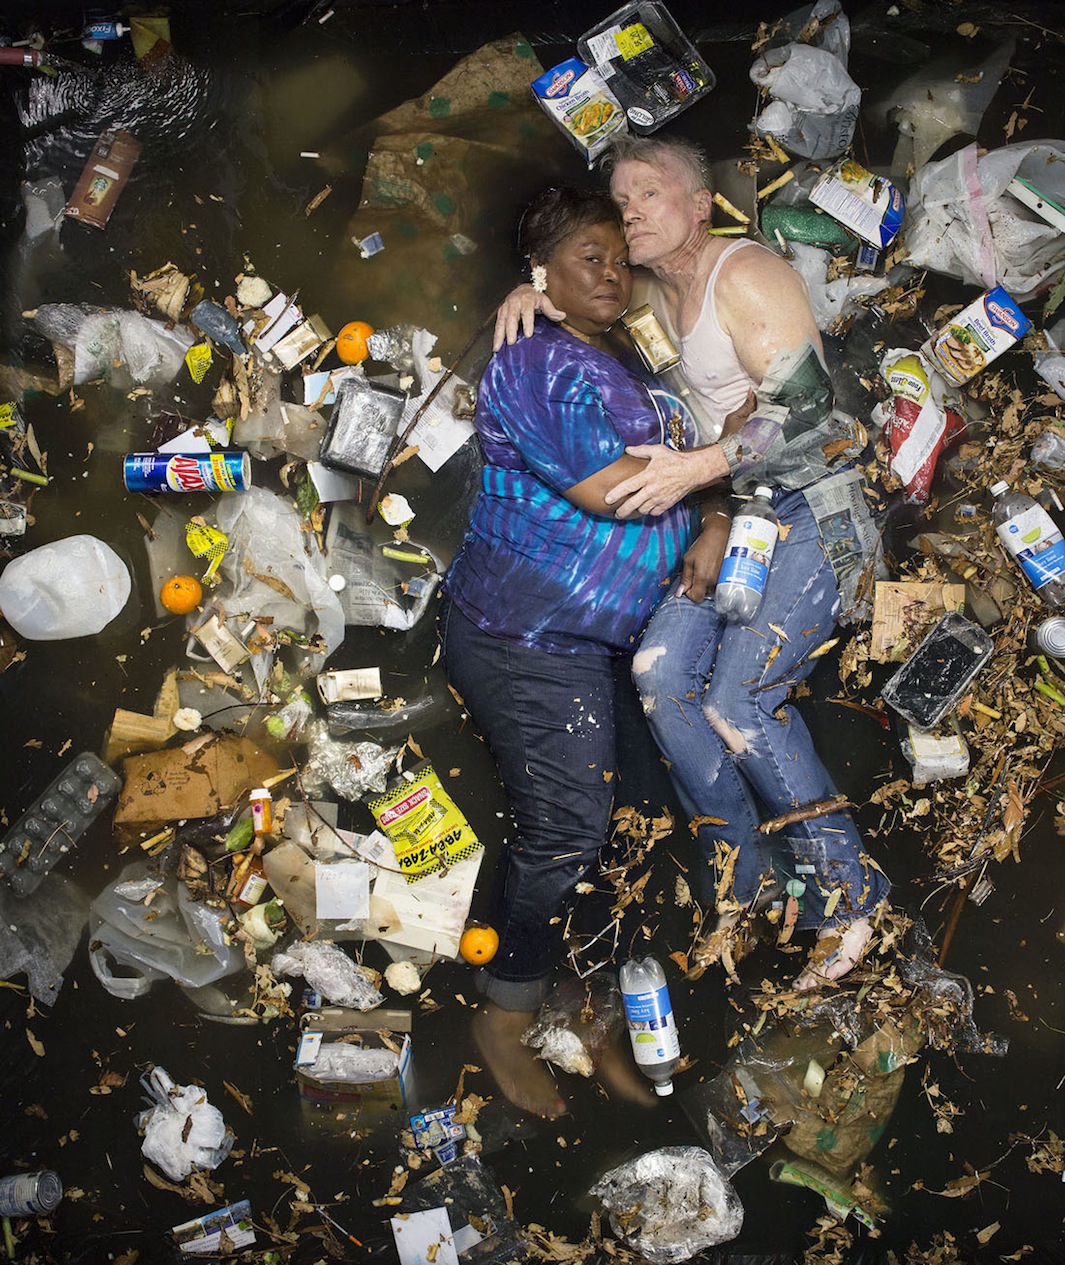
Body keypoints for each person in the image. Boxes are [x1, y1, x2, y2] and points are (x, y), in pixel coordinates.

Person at [496, 135, 890, 991]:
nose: (629, 209)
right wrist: (527, 290)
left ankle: (849, 896)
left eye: (648, 191)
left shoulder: (742, 274)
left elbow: (810, 407)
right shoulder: (646, 289)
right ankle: (745, 883)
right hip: (740, 515)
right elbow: (576, 281)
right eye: (619, 197)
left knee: (737, 698)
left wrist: (695, 468)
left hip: (814, 506)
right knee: (658, 673)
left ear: (700, 203)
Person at [441, 186, 720, 1117]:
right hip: (524, 638)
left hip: (600, 646)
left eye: (616, 257)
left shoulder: (624, 357)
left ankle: (587, 1004)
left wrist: (716, 515)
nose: (609, 273)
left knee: (631, 830)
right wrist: (724, 464)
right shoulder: (534, 362)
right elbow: (612, 490)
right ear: (540, 276)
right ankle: (505, 1014)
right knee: (566, 828)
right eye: (585, 259)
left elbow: (679, 458)